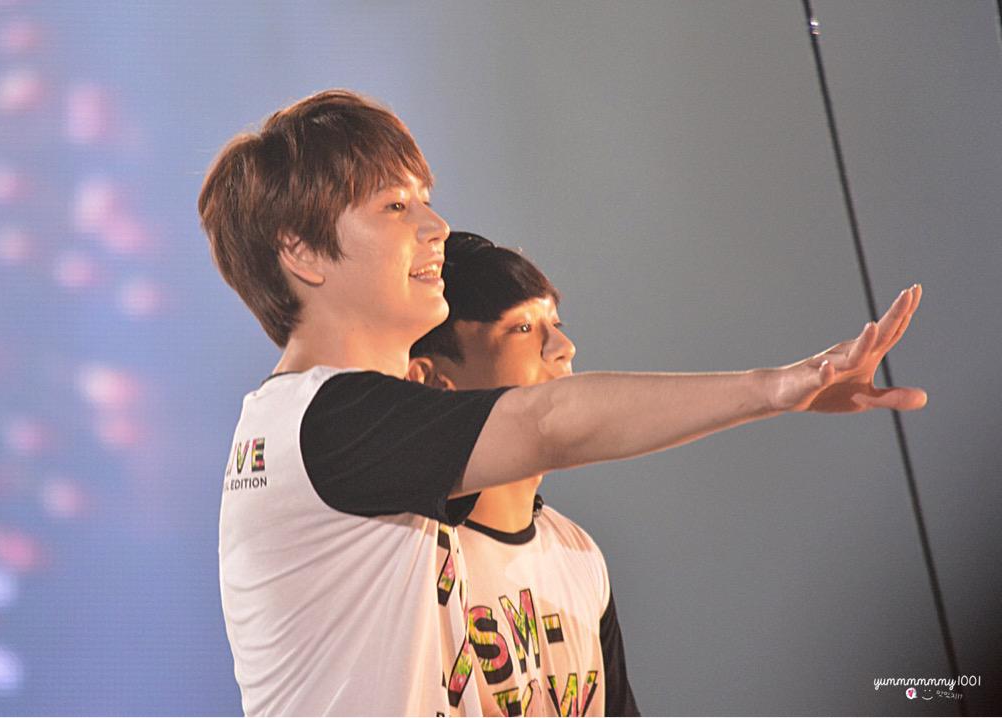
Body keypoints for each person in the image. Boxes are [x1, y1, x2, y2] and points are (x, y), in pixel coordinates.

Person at [197, 88, 925, 716]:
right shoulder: (321, 422)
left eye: (425, 199)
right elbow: (546, 423)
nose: (435, 227)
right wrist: (780, 387)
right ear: (300, 251)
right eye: (394, 205)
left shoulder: (325, 430)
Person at [408, 232, 640, 716]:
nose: (563, 347)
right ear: (431, 380)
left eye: (555, 323)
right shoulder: (405, 558)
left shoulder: (578, 553)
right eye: (522, 327)